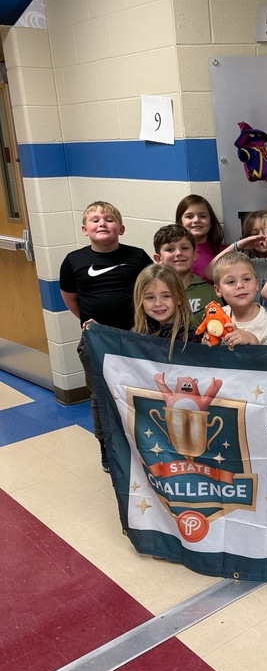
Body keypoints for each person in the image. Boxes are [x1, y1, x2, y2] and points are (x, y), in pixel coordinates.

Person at [59, 201, 151, 472]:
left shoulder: (137, 256)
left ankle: (143, 443)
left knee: (138, 391)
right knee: (101, 396)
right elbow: (71, 299)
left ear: (121, 228)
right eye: (95, 220)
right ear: (84, 229)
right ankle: (107, 447)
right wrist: (90, 325)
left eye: (109, 219)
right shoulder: (73, 260)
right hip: (96, 340)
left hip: (135, 336)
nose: (102, 223)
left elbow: (150, 291)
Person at [211, 251, 267, 346]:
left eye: (246, 279)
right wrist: (208, 346)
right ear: (218, 290)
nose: (240, 285)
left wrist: (254, 342)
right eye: (231, 281)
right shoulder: (215, 317)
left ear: (256, 284)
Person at [132, 263, 200, 356]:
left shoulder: (193, 337)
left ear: (179, 298)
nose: (158, 303)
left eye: (166, 296)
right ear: (140, 301)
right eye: (150, 297)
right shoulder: (134, 335)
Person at [152, 224, 214, 322]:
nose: (178, 253)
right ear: (158, 258)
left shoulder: (210, 292)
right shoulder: (150, 292)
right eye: (170, 249)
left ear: (195, 254)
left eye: (184, 248)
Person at [175, 195, 226, 281]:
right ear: (180, 222)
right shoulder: (174, 254)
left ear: (211, 223)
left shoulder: (224, 252)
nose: (196, 220)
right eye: (189, 216)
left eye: (202, 216)